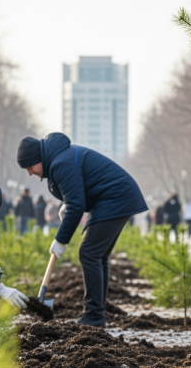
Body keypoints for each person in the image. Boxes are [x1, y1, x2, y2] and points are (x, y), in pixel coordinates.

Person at [18, 133, 147, 327]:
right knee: (97, 255)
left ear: (38, 159)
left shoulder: (61, 163)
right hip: (116, 196)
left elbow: (77, 206)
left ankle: (94, 316)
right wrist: (67, 204)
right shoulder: (60, 159)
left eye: (30, 167)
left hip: (115, 196)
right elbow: (76, 194)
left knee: (89, 253)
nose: (30, 173)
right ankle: (97, 312)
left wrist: (60, 240)